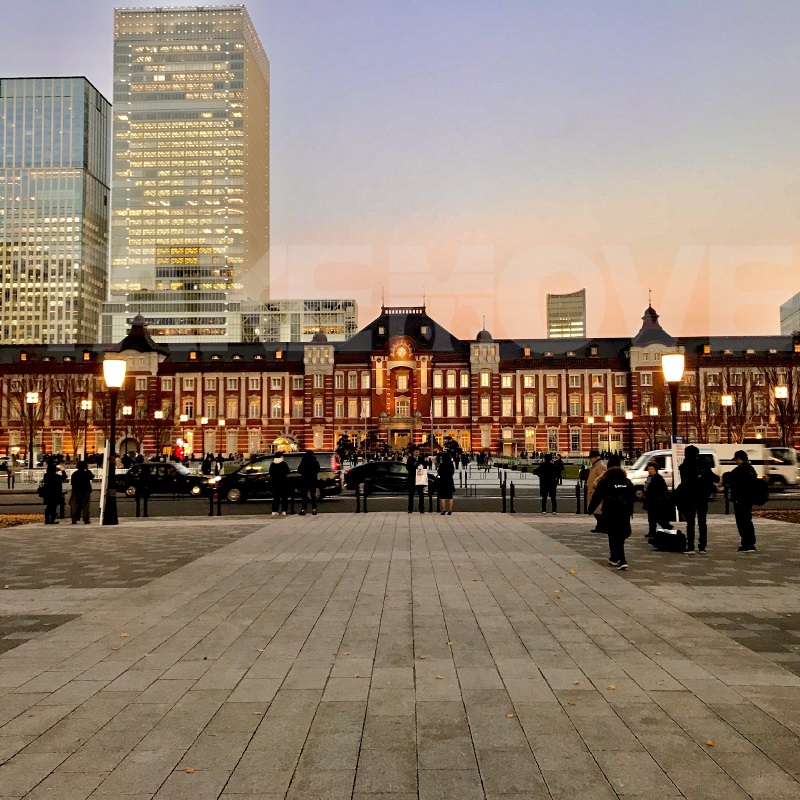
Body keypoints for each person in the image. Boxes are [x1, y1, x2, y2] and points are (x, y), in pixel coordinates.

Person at [588, 464, 636, 570]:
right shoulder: (627, 483)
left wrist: (590, 509)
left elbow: (597, 497)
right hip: (624, 512)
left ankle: (620, 559)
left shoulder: (605, 482)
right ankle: (615, 557)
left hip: (610, 512)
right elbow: (632, 497)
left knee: (613, 535)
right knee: (621, 534)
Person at [678, 445, 718, 554]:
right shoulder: (702, 465)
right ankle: (702, 546)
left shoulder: (683, 467)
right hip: (702, 496)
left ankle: (690, 547)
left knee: (690, 522)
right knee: (702, 522)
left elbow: (684, 482)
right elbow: (715, 478)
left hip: (689, 496)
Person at [723, 450, 758, 552]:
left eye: (736, 460)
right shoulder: (751, 469)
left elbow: (729, 477)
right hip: (748, 499)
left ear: (739, 458)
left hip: (740, 499)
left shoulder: (740, 470)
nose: (736, 462)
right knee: (748, 520)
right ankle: (751, 543)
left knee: (742, 521)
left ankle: (746, 544)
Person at [643, 461, 672, 538]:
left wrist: (660, 499)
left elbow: (662, 490)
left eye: (652, 469)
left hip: (656, 501)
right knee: (651, 518)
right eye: (649, 469)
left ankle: (667, 528)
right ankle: (652, 531)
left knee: (658, 517)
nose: (650, 470)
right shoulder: (649, 478)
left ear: (655, 470)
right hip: (650, 501)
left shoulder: (658, 478)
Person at [586, 450, 607, 532]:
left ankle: (602, 526)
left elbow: (603, 478)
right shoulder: (596, 466)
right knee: (595, 510)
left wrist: (596, 486)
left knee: (597, 510)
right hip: (593, 491)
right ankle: (600, 526)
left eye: (591, 458)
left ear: (594, 458)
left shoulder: (600, 466)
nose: (590, 460)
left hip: (596, 492)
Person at [297, 449, 321, 516]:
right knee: (313, 495)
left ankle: (303, 509)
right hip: (312, 479)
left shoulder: (303, 461)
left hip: (304, 479)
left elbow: (299, 470)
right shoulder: (315, 461)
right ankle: (314, 509)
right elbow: (318, 469)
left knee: (304, 495)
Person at [69, 460, 93, 525]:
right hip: (86, 490)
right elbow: (92, 477)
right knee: (86, 506)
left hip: (76, 491)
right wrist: (87, 469)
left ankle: (74, 519)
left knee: (75, 506)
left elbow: (72, 483)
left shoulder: (75, 474)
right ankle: (86, 519)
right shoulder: (87, 473)